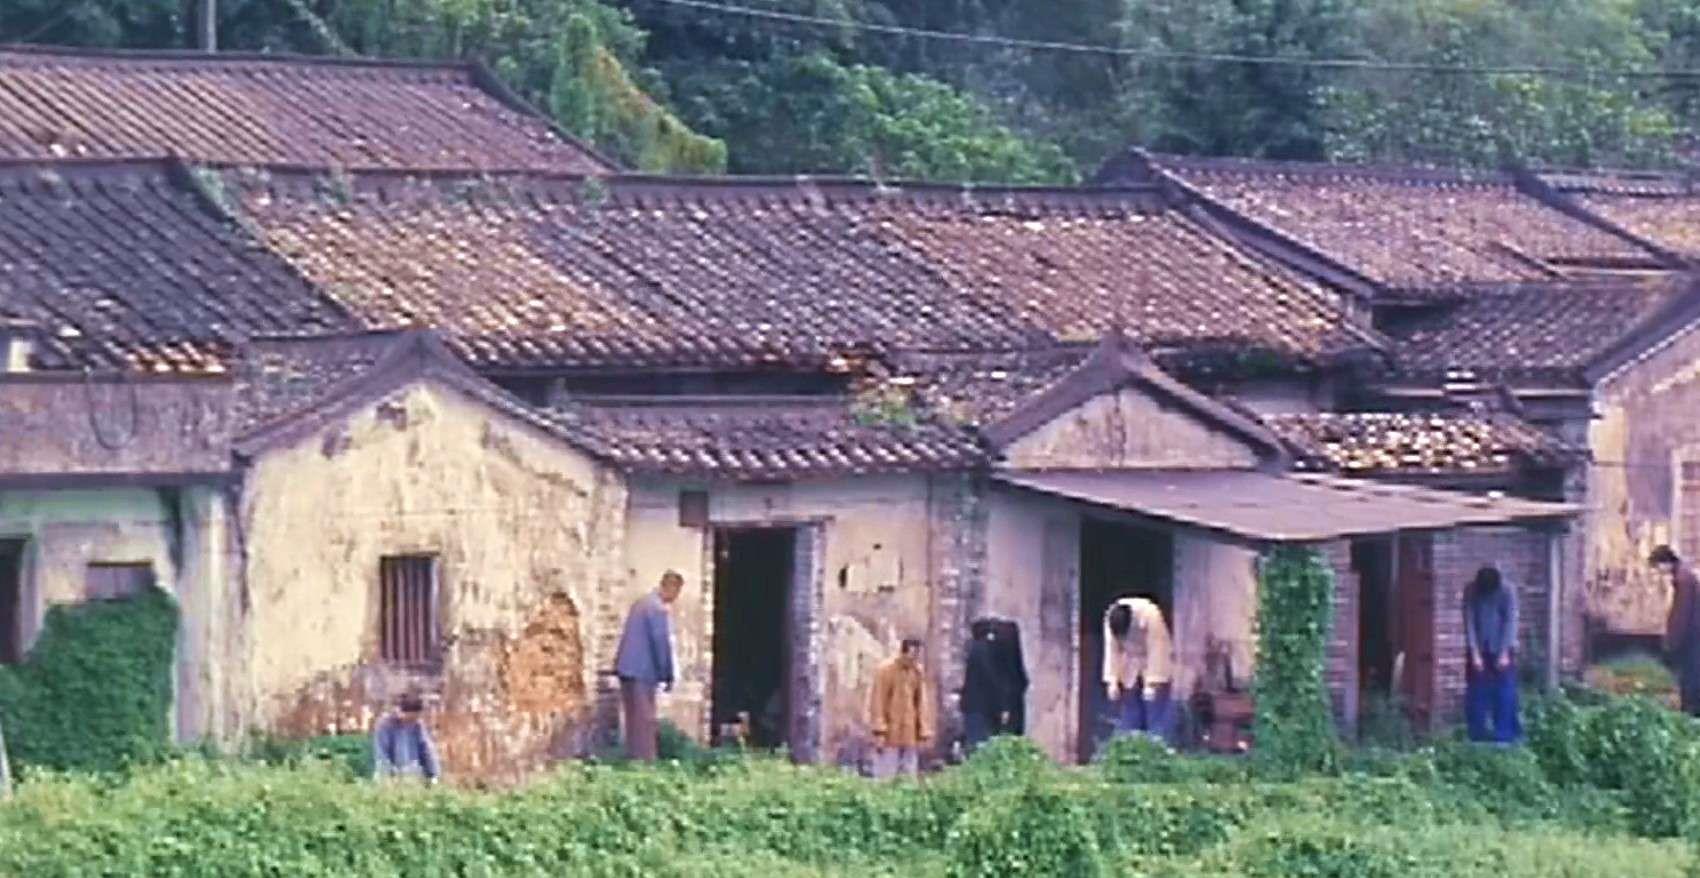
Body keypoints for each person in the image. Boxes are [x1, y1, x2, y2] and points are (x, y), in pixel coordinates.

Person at [615, 571, 684, 761]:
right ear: (671, 588)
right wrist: (668, 675)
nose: (674, 599)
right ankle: (644, 763)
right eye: (676, 594)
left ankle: (633, 758)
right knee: (645, 722)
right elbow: (661, 644)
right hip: (642, 671)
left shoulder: (641, 603)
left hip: (626, 668)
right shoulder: (657, 609)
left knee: (633, 720)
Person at [1102, 595, 1174, 744]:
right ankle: (1128, 750)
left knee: (1155, 710)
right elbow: (1112, 650)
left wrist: (1153, 683)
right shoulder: (1111, 617)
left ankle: (1157, 749)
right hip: (1130, 662)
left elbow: (1158, 648)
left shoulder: (1150, 614)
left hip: (1151, 660)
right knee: (1130, 711)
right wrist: (1112, 680)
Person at [1464, 566, 1522, 744]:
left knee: (1505, 693)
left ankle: (1504, 735)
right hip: (1480, 648)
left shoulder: (1507, 591)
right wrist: (1474, 653)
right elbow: (1469, 621)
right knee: (1476, 692)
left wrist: (1504, 652)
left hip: (1502, 646)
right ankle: (1477, 734)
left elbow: (1510, 621)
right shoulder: (1471, 591)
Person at [869, 638, 932, 779]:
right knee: (886, 776)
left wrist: (923, 731)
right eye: (913, 655)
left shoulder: (917, 671)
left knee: (909, 776)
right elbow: (878, 701)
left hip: (910, 733)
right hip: (890, 733)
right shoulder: (885, 671)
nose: (915, 659)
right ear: (904, 652)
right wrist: (879, 731)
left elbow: (921, 702)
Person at [1653, 546, 1700, 716]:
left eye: (1658, 565)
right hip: (1693, 636)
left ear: (1665, 562)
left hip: (1692, 638)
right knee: (1692, 679)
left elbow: (1681, 614)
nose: (1658, 571)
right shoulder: (1684, 576)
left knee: (1691, 681)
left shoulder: (1683, 580)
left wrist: (1671, 643)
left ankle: (1691, 717)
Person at [960, 619, 1012, 752]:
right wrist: (1002, 706)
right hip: (982, 707)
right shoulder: (985, 650)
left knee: (977, 742)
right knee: (981, 745)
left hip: (974, 705)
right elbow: (992, 679)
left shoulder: (975, 648)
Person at [371, 692, 441, 783]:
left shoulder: (418, 726)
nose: (411, 723)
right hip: (391, 775)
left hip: (412, 776)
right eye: (409, 719)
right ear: (399, 711)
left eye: (414, 719)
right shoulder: (385, 725)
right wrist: (387, 779)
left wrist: (434, 774)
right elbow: (381, 755)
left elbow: (427, 750)